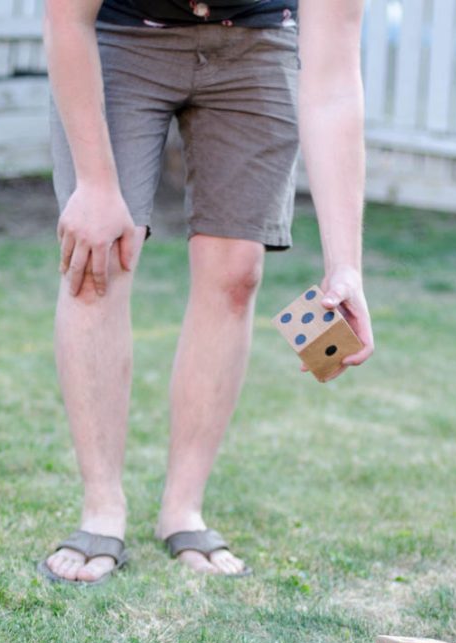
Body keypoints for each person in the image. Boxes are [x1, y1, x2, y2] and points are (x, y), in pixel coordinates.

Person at [38, 0, 374, 584]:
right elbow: (65, 18)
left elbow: (334, 81)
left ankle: (183, 509)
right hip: (120, 36)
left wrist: (345, 265)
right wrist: (95, 183)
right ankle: (102, 508)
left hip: (255, 43)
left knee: (236, 274)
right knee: (100, 259)